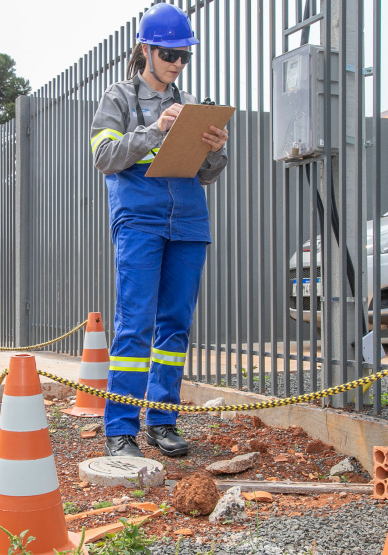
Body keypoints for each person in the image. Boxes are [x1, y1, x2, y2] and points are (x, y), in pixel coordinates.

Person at [90, 3, 229, 458]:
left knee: (175, 326)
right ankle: (121, 429)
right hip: (140, 221)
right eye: (170, 54)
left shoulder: (188, 103)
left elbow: (206, 174)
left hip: (189, 222)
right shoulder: (118, 98)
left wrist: (214, 149)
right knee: (136, 324)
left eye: (184, 56)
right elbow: (104, 158)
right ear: (146, 50)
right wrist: (153, 131)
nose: (177, 63)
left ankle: (162, 423)